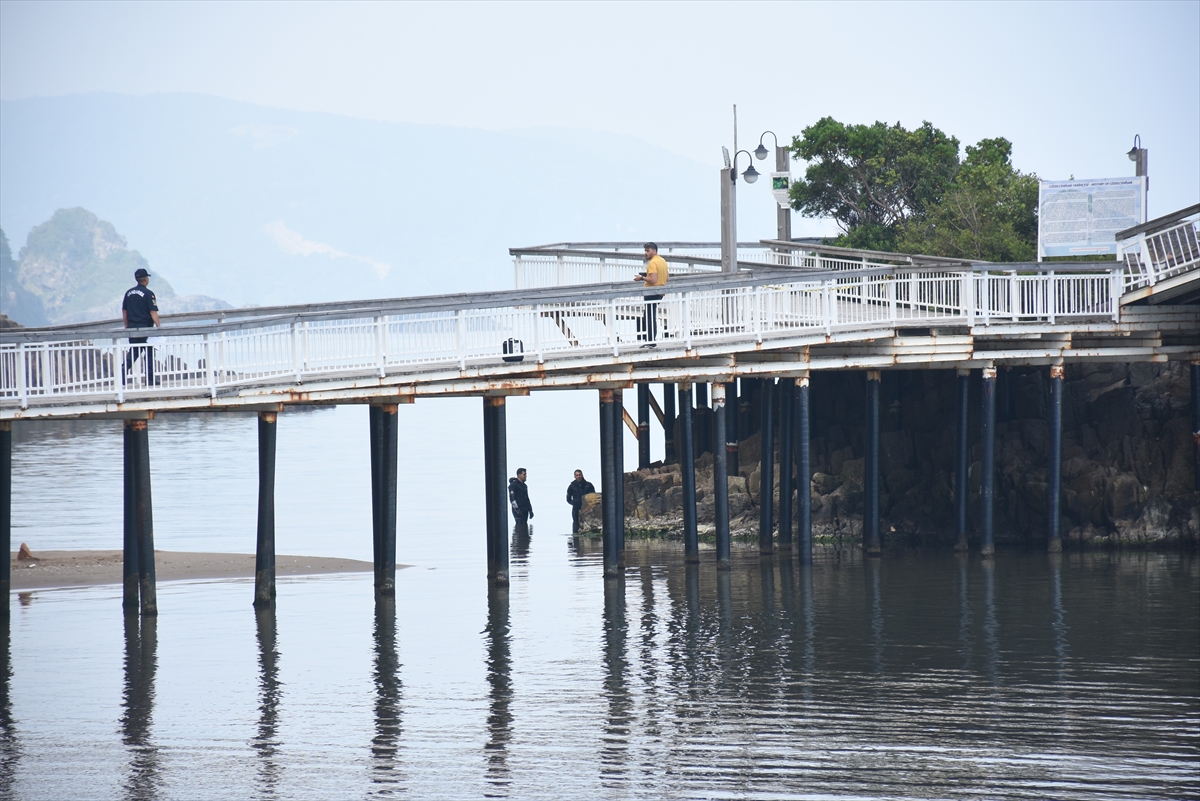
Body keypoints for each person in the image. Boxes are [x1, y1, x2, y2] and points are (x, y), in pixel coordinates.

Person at [122, 267, 161, 384]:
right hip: (145, 327)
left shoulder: (128, 293)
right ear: (145, 279)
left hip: (132, 327)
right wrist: (159, 327)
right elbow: (153, 312)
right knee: (149, 352)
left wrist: (127, 325)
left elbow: (124, 311)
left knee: (134, 352)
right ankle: (150, 379)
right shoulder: (149, 294)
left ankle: (122, 376)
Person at [634, 241, 668, 347]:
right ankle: (650, 340)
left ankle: (651, 342)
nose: (646, 253)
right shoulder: (662, 261)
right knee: (650, 316)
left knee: (649, 317)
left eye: (648, 251)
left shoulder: (653, 263)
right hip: (660, 292)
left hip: (651, 292)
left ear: (654, 251)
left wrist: (642, 278)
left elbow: (653, 279)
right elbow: (667, 278)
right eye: (645, 250)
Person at [565, 469, 596, 534]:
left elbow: (594, 496)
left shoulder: (588, 485)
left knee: (587, 524)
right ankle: (575, 540)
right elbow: (568, 499)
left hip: (587, 508)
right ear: (575, 476)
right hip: (576, 508)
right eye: (577, 475)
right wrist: (574, 503)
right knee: (576, 523)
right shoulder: (572, 486)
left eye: (579, 475)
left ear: (582, 475)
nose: (578, 476)